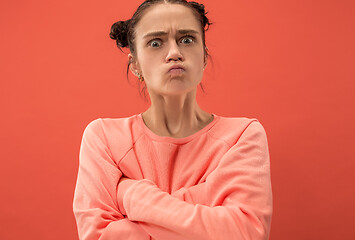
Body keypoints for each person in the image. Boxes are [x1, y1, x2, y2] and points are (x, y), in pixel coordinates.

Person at [72, 0, 273, 239]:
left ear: (204, 56)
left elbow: (245, 233)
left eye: (187, 39)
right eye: (155, 43)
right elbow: (98, 236)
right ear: (135, 65)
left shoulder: (243, 135)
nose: (174, 53)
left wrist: (131, 195)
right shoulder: (103, 138)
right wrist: (203, 199)